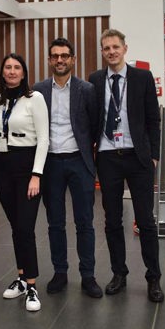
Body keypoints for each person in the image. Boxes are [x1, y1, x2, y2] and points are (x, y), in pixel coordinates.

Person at [89, 29, 164, 303]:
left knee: (145, 220)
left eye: (115, 47)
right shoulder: (96, 80)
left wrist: (154, 156)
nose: (111, 52)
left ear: (125, 48)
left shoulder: (142, 78)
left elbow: (153, 120)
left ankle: (153, 277)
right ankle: (119, 273)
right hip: (108, 156)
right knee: (112, 220)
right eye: (106, 48)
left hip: (138, 157)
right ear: (102, 51)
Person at [33, 38, 103, 298]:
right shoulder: (38, 90)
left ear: (73, 60)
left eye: (65, 56)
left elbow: (94, 124)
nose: (60, 60)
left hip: (79, 161)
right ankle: (60, 272)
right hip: (50, 163)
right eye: (55, 56)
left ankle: (88, 275)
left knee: (85, 222)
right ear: (50, 60)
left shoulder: (86, 89)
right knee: (55, 223)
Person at [0, 53, 49, 312]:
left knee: (26, 228)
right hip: (3, 167)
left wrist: (36, 174)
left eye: (17, 67)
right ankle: (21, 276)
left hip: (27, 168)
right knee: (16, 227)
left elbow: (44, 139)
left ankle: (32, 285)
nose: (12, 71)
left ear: (24, 72)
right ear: (2, 72)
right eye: (8, 67)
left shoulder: (34, 98)